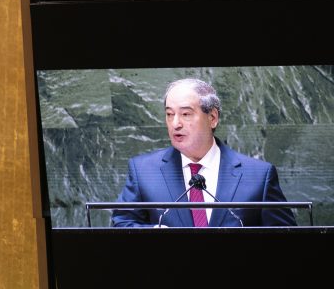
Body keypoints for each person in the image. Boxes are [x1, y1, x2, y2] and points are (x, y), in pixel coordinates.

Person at [110, 78, 297, 228]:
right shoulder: (144, 171)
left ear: (212, 118)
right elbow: (121, 224)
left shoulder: (258, 176)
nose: (175, 123)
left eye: (185, 114)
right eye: (169, 114)